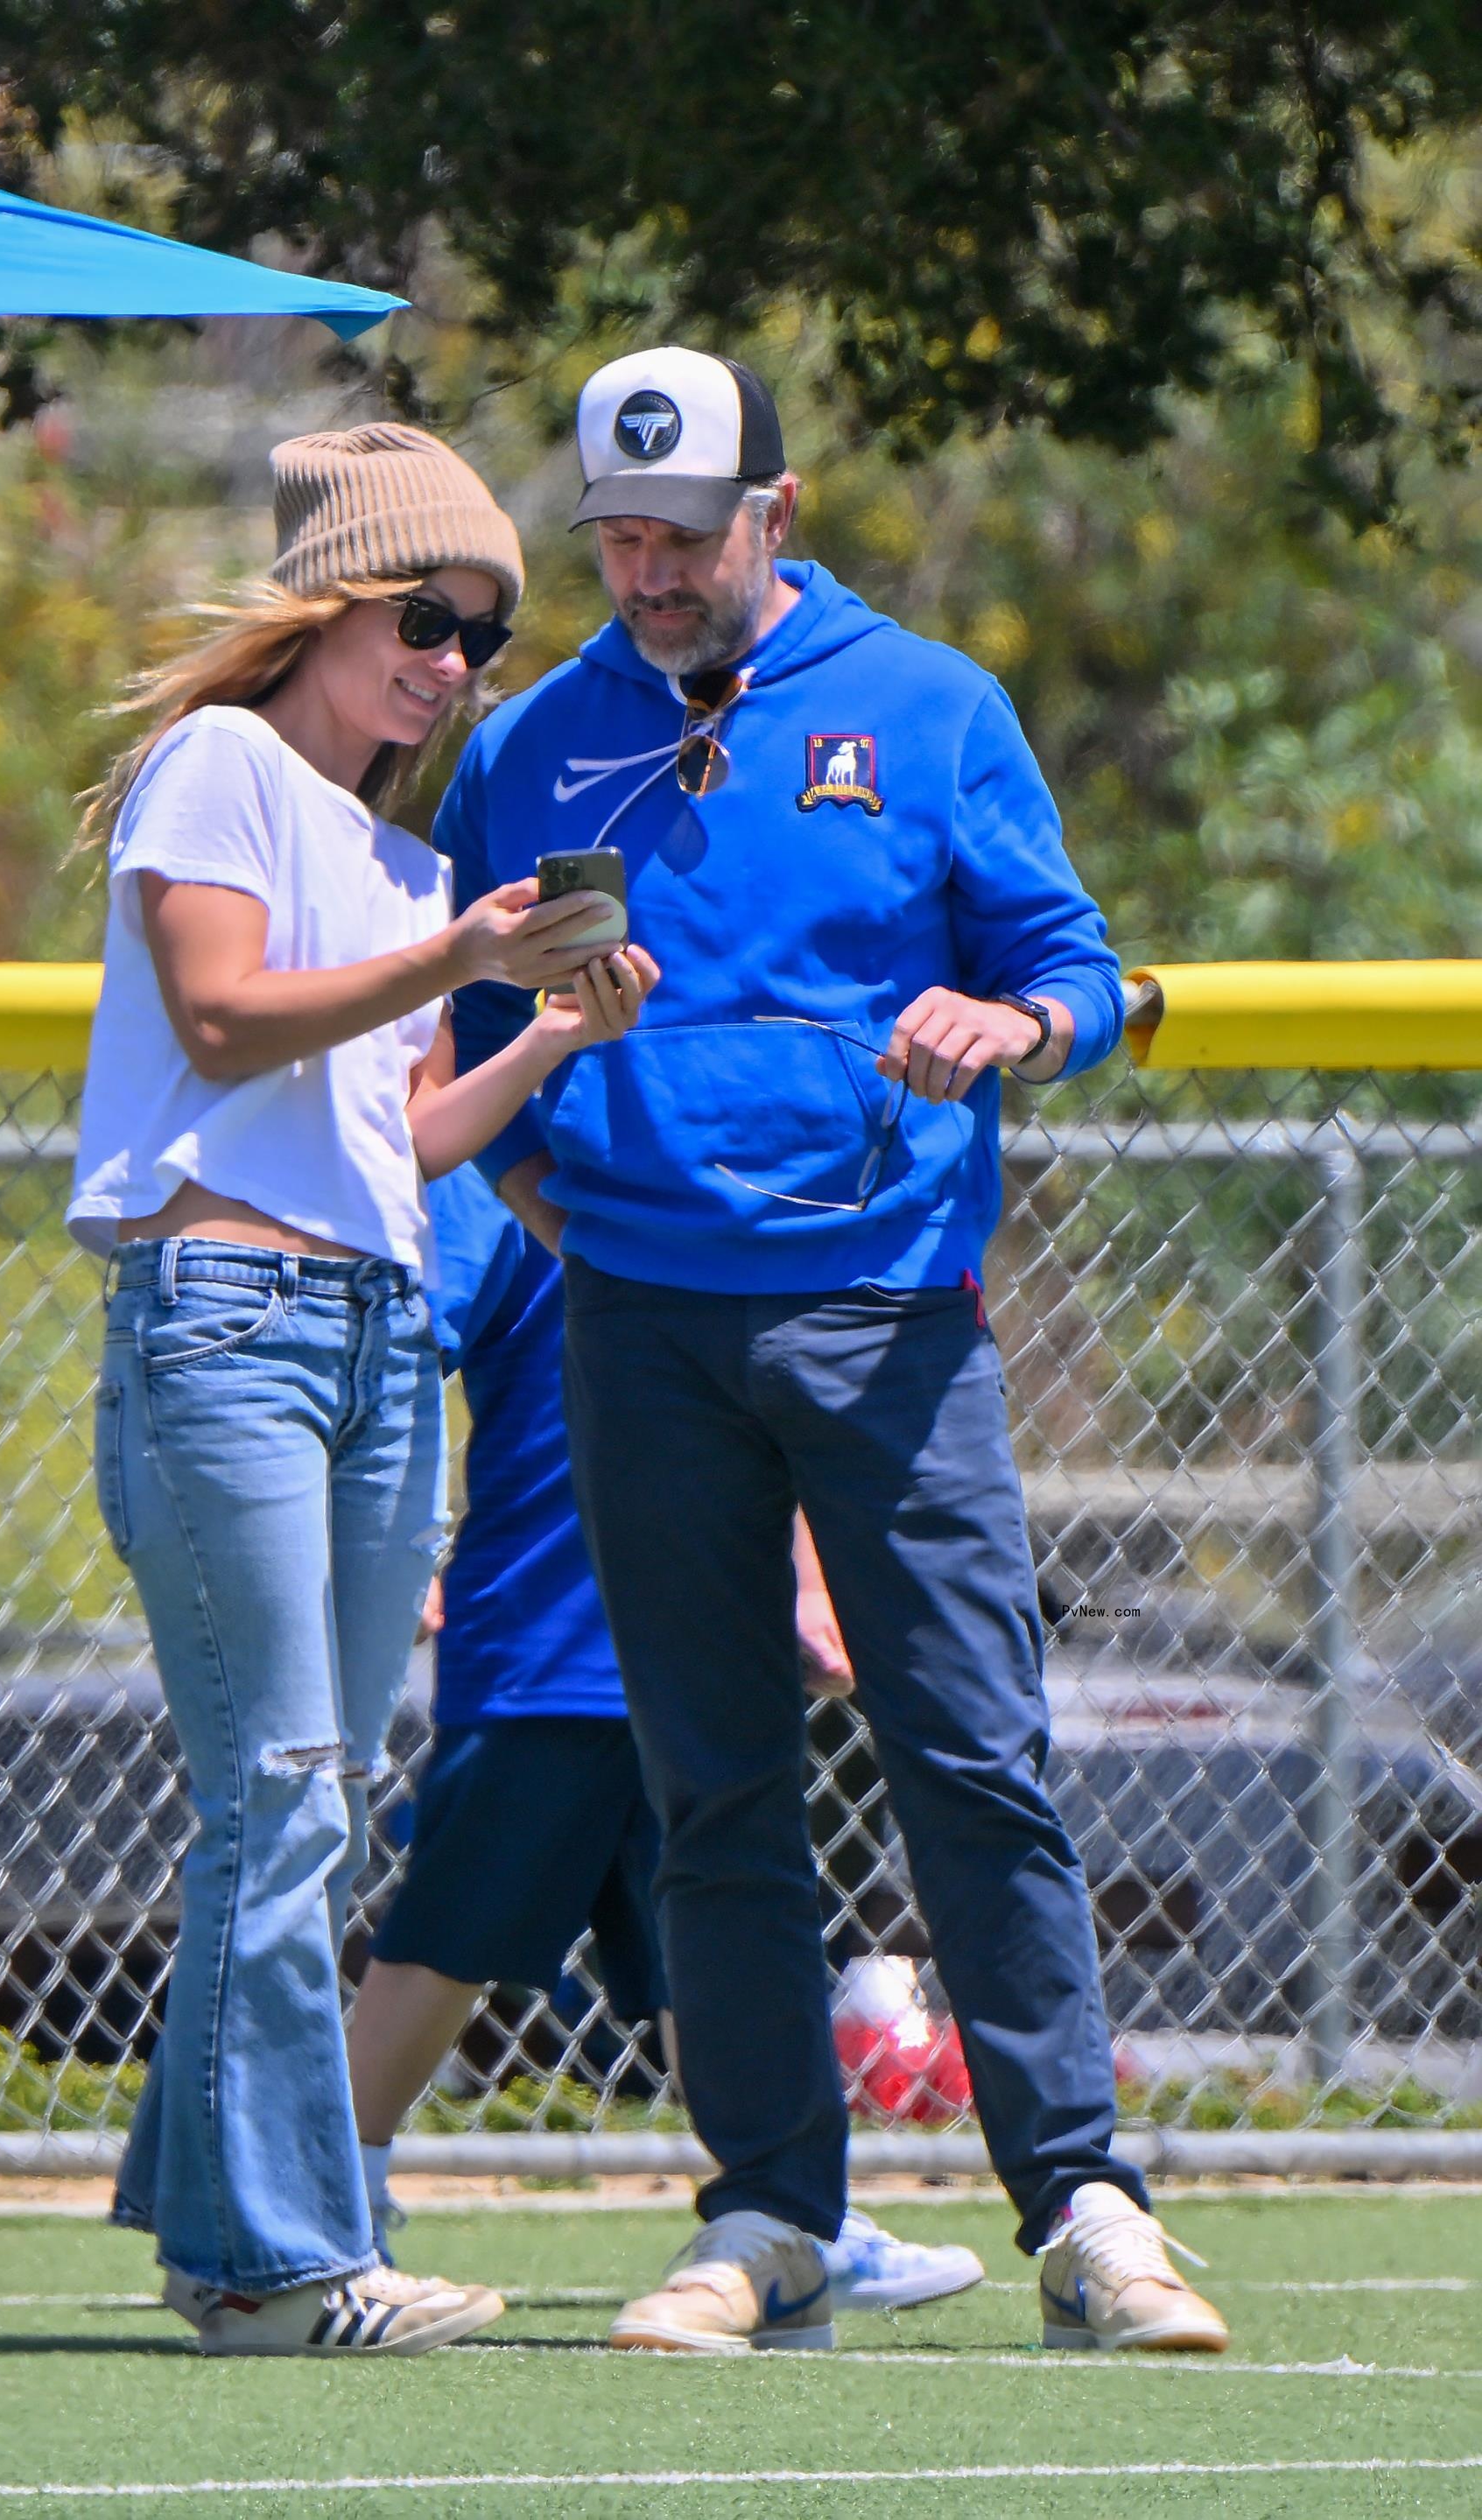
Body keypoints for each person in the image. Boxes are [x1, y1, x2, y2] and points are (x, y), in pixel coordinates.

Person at [437, 347, 1228, 2356]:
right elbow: (478, 1048)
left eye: (684, 538)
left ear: (772, 515)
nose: (649, 575)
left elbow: (1072, 970)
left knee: (974, 1753)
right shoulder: (530, 745)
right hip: (640, 1330)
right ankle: (773, 2212)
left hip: (888, 1325)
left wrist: (1018, 1032)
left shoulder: (933, 707)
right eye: (615, 539)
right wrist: (585, 1208)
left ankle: (1089, 2207)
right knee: (711, 1786)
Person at [67, 422, 657, 2358]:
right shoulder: (222, 764)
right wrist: (454, 950)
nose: (450, 661)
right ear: (328, 606)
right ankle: (277, 2262)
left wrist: (546, 1032)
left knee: (298, 1791)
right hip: (226, 1319)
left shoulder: (393, 846)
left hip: (370, 1335)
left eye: (482, 633)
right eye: (423, 614)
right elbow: (226, 1018)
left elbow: (401, 1128)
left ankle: (206, 2201)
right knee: (284, 1795)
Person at [347, 1162, 986, 2320]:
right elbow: (393, 1365)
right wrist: (404, 1546)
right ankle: (330, 2195)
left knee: (728, 1936)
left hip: (692, 1626)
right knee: (449, 1933)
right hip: (551, 1643)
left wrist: (799, 1579)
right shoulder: (498, 1168)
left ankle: (790, 2206)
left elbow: (767, 1401)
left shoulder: (708, 1169)